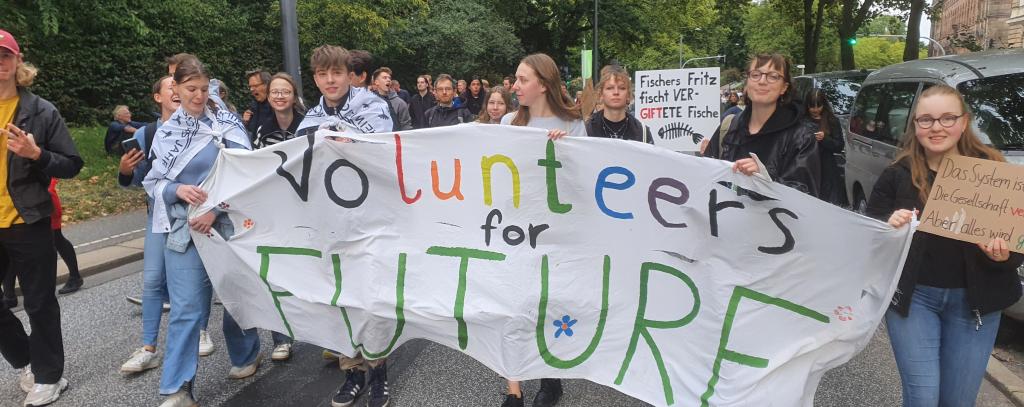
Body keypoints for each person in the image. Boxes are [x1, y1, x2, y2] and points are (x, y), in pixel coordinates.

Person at [867, 84, 1024, 407]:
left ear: (964, 122)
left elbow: (1015, 243)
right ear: (915, 126)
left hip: (975, 304)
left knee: (957, 401)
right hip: (915, 301)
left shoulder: (994, 173)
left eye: (947, 118)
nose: (936, 127)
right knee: (923, 398)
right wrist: (890, 226)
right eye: (926, 120)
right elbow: (871, 236)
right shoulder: (897, 175)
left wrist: (1003, 255)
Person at [143, 58, 260, 407]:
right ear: (175, 90)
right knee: (187, 308)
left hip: (226, 225)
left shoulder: (226, 122)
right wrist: (176, 191)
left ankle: (246, 354)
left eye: (203, 88)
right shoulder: (168, 132)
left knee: (236, 296)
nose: (197, 95)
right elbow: (155, 182)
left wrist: (214, 208)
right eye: (190, 89)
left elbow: (247, 171)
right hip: (184, 230)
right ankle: (177, 388)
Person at [293, 44, 393, 407]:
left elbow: (382, 146)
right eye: (322, 75)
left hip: (368, 220)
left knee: (371, 298)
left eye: (336, 73)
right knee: (339, 300)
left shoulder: (373, 106)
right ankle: (353, 372)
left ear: (348, 73)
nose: (330, 80)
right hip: (330, 223)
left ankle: (379, 371)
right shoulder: (311, 118)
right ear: (316, 78)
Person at [0, 29, 83, 407]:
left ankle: (50, 377)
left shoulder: (41, 110)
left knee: (38, 302)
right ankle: (26, 362)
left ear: (18, 63)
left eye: (4, 56)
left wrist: (36, 155)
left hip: (27, 220)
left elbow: (71, 165)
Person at [499, 53, 586, 407]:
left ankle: (551, 379)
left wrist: (566, 151)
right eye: (515, 79)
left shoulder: (575, 125)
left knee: (548, 306)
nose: (514, 86)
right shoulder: (508, 122)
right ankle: (513, 388)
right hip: (515, 230)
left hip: (556, 234)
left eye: (521, 80)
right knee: (512, 306)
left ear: (543, 85)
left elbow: (583, 183)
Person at [703, 53, 820, 197]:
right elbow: (706, 182)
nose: (762, 81)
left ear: (784, 88)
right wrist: (705, 160)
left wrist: (766, 179)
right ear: (747, 83)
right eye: (756, 74)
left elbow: (807, 198)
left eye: (773, 76)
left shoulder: (801, 137)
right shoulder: (728, 127)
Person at [585, 65, 651, 144]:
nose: (616, 92)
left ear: (628, 95)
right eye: (610, 88)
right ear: (601, 94)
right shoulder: (587, 129)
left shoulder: (642, 131)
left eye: (622, 88)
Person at [805, 89, 846, 206]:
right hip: (807, 166)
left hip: (827, 169)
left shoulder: (832, 121)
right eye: (812, 106)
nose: (815, 110)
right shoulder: (802, 121)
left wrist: (825, 139)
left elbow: (839, 146)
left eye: (819, 106)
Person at [254, 72, 307, 149]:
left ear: (295, 98)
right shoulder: (263, 131)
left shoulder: (307, 128)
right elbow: (257, 159)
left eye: (286, 92)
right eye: (274, 92)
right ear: (268, 97)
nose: (279, 96)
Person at [243, 69, 272, 139]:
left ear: (267, 85)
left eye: (255, 86)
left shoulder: (278, 107)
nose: (251, 89)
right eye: (250, 86)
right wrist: (245, 122)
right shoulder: (253, 107)